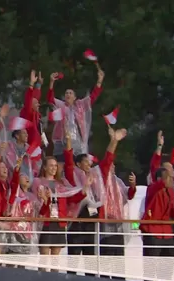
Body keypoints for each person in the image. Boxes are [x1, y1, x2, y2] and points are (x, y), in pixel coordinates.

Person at [64, 127, 126, 261]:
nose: (88, 164)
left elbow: (108, 160)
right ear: (78, 164)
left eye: (89, 161)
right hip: (77, 224)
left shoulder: (96, 174)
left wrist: (114, 141)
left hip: (92, 223)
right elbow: (68, 162)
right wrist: (68, 141)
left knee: (90, 261)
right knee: (73, 260)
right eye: (85, 161)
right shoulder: (73, 175)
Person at [34, 156, 86, 264]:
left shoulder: (61, 183)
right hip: (45, 222)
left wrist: (85, 188)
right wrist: (44, 199)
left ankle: (54, 280)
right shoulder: (38, 181)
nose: (54, 168)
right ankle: (41, 279)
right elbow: (37, 202)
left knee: (55, 259)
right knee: (44, 258)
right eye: (51, 165)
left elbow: (71, 198)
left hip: (59, 222)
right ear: (44, 167)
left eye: (55, 166)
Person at [48, 68, 104, 162]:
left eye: (70, 93)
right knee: (60, 165)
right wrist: (51, 82)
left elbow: (93, 97)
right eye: (66, 93)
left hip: (78, 143)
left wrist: (99, 81)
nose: (68, 94)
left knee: (77, 167)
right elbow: (50, 99)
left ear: (74, 97)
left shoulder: (80, 105)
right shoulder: (60, 105)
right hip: (61, 142)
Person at [5, 156, 42, 260]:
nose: (26, 178)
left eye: (27, 176)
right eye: (23, 176)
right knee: (12, 260)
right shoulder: (15, 192)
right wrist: (17, 168)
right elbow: (14, 182)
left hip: (27, 232)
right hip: (15, 230)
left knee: (24, 260)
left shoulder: (33, 196)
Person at [19, 70, 44, 147]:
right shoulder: (28, 113)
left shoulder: (36, 114)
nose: (39, 104)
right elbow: (29, 99)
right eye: (36, 103)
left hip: (37, 146)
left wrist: (39, 84)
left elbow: (35, 96)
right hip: (29, 147)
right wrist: (31, 84)